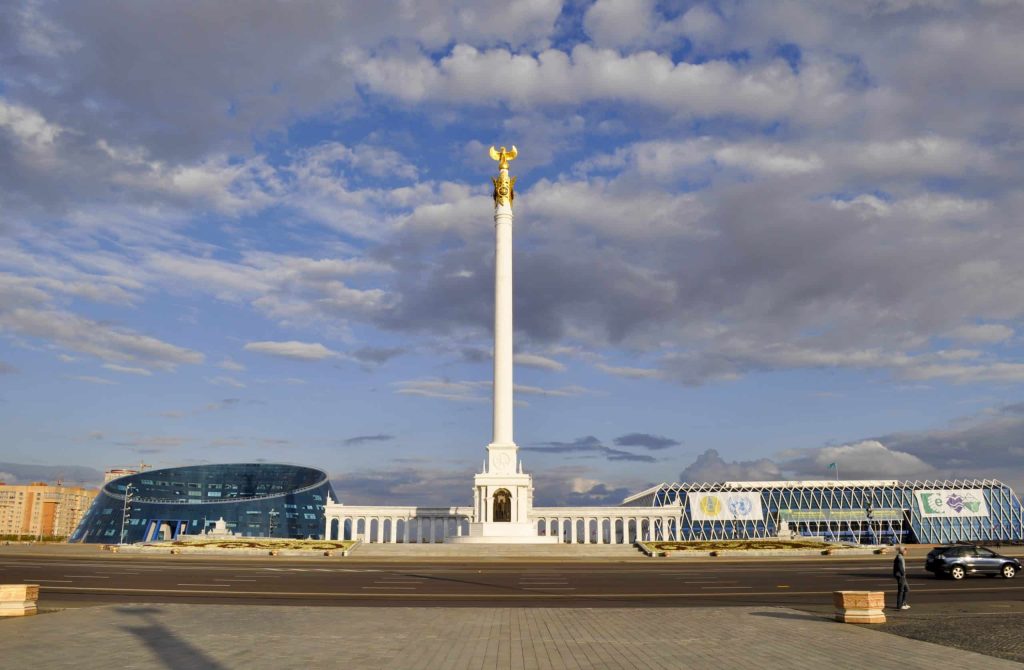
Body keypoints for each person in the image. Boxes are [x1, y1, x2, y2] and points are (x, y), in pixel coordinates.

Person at [893, 545, 910, 610]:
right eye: (905, 551)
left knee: (906, 589)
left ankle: (903, 603)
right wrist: (903, 574)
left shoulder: (900, 557)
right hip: (900, 576)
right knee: (901, 590)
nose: (906, 552)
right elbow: (900, 567)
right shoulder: (899, 557)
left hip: (901, 576)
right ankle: (899, 605)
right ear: (902, 551)